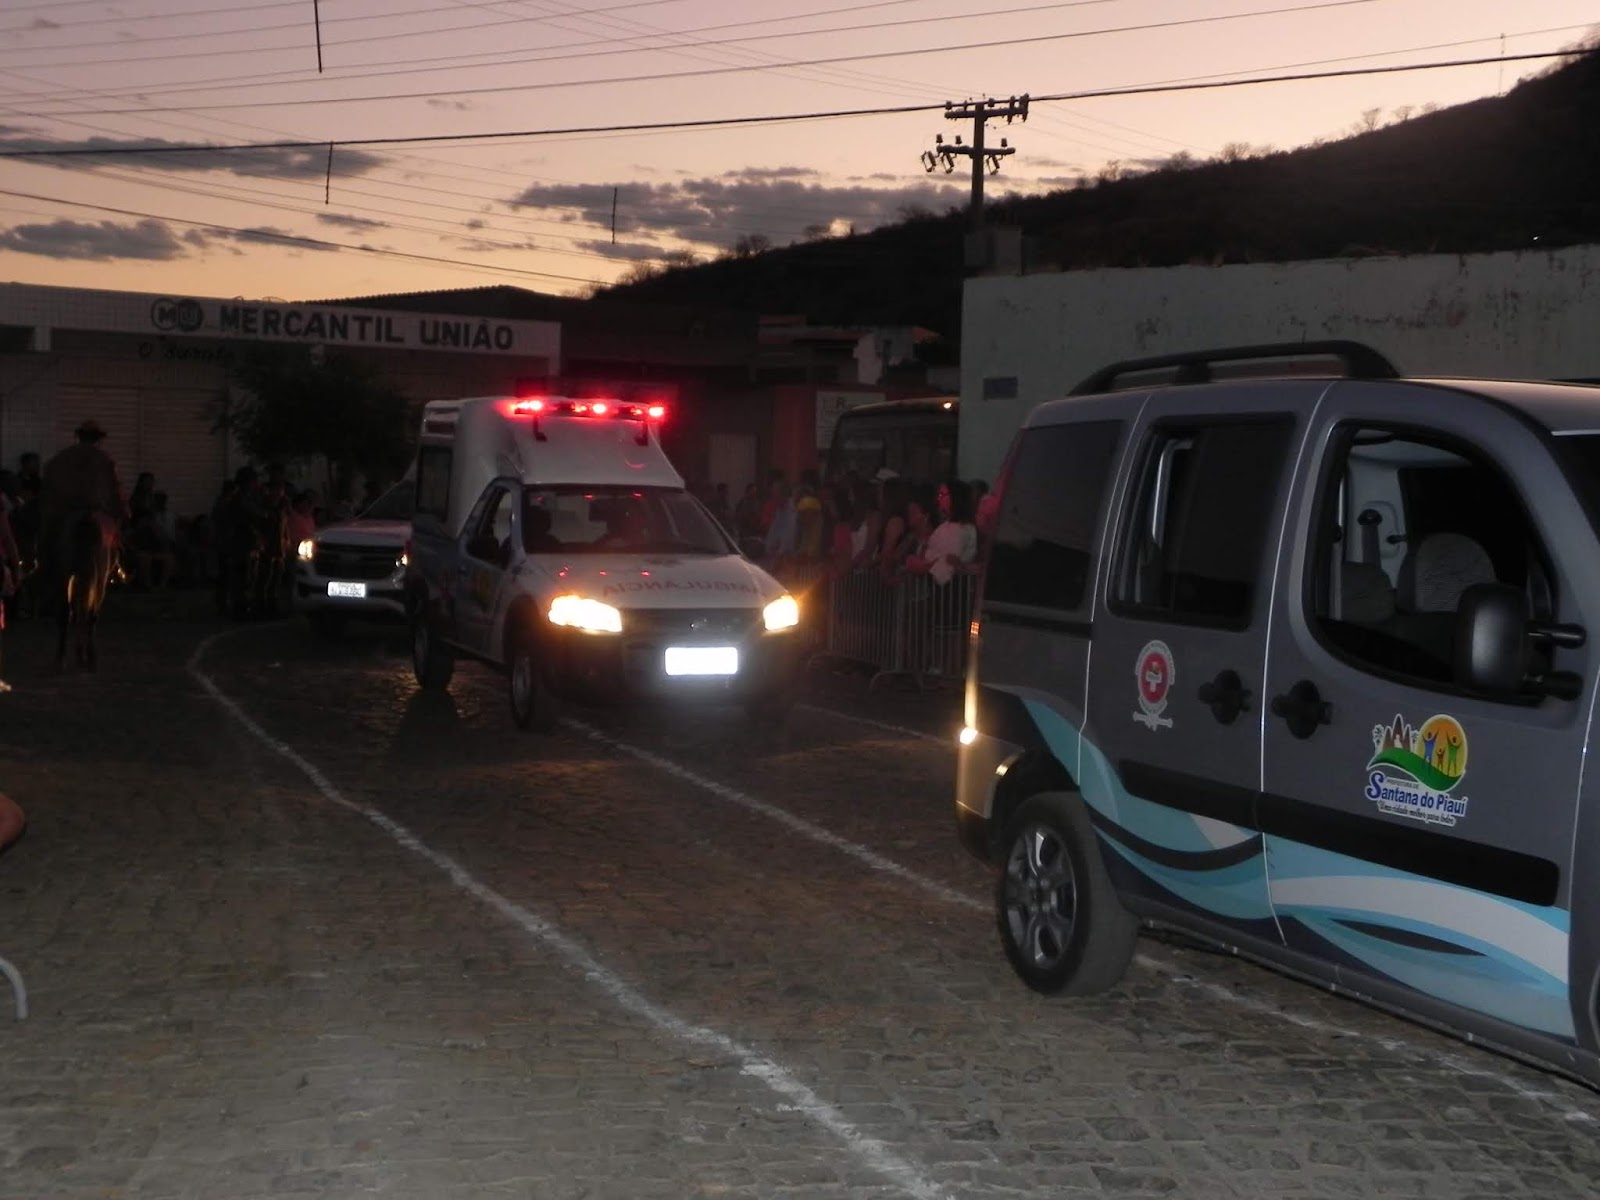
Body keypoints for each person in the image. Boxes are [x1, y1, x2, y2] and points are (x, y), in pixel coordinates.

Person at [39, 420, 128, 598]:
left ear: (79, 437)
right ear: (98, 439)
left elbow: (48, 484)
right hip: (94, 510)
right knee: (114, 538)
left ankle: (43, 570)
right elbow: (114, 490)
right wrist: (122, 511)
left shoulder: (60, 458)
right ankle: (116, 568)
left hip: (65, 511)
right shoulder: (104, 459)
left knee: (46, 541)